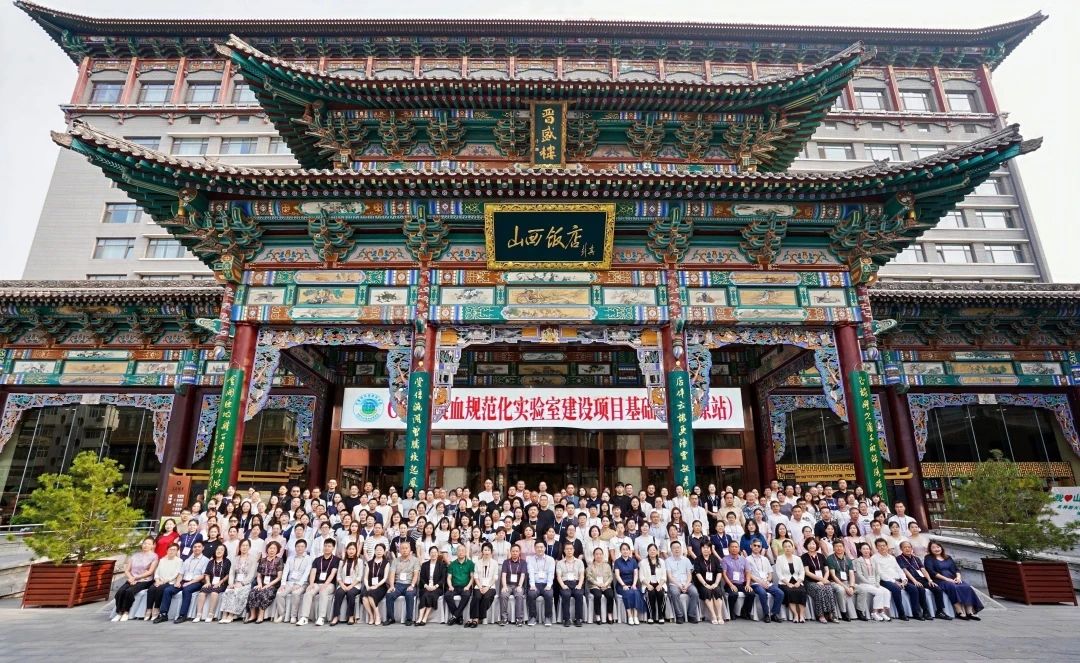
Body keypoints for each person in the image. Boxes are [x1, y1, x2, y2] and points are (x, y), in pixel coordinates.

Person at [925, 541, 983, 620]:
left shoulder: (947, 557)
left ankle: (969, 612)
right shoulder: (928, 558)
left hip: (953, 579)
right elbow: (931, 572)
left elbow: (956, 569)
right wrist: (947, 579)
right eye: (933, 547)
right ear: (930, 549)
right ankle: (959, 612)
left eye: (938, 547)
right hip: (940, 580)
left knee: (967, 587)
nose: (936, 549)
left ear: (941, 548)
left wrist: (958, 577)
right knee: (952, 587)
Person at [156, 540, 208, 623]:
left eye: (199, 547)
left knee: (186, 590)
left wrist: (190, 583)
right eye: (195, 547)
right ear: (192, 548)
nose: (197, 548)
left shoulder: (205, 560)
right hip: (183, 581)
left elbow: (202, 575)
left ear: (203, 548)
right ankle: (163, 614)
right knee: (168, 590)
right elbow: (181, 573)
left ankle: (182, 615)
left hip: (196, 582)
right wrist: (178, 582)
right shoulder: (188, 560)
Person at [112, 536, 158, 622]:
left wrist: (135, 578)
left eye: (149, 544)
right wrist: (131, 578)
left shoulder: (154, 557)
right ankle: (119, 612)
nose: (146, 545)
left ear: (153, 546)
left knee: (129, 591)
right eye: (144, 543)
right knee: (120, 591)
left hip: (145, 580)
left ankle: (126, 612)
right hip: (132, 579)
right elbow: (127, 570)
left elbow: (150, 572)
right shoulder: (135, 555)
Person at [873, 538, 921, 621]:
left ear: (887, 546)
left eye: (884, 545)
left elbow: (899, 569)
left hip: (898, 579)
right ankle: (901, 614)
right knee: (896, 589)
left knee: (913, 589)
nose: (882, 547)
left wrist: (904, 579)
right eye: (879, 546)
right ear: (876, 547)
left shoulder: (892, 557)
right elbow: (880, 574)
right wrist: (895, 582)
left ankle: (916, 613)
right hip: (885, 581)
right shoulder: (874, 558)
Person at [299, 539, 340, 626]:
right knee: (308, 592)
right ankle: (304, 617)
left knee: (323, 591)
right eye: (325, 546)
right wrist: (311, 584)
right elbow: (313, 572)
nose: (327, 548)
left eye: (329, 546)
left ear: (333, 548)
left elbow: (333, 574)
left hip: (329, 584)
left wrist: (325, 584)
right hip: (317, 583)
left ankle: (321, 617)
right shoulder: (317, 560)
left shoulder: (336, 560)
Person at [897, 540, 938, 621]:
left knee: (937, 588)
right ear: (901, 549)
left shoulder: (916, 558)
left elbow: (923, 569)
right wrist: (915, 581)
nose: (907, 549)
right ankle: (922, 612)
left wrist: (929, 580)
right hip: (909, 580)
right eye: (905, 547)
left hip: (921, 578)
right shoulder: (899, 558)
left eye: (909, 547)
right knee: (920, 589)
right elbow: (905, 571)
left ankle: (939, 611)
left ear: (912, 548)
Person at [800, 538, 838, 623]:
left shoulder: (821, 556)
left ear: (817, 545)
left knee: (829, 588)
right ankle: (821, 615)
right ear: (806, 545)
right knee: (819, 589)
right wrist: (821, 579)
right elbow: (807, 572)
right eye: (810, 544)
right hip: (810, 582)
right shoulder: (804, 557)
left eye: (813, 544)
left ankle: (831, 614)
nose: (812, 546)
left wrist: (824, 580)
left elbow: (827, 570)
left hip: (823, 580)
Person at [747, 540, 784, 624]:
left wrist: (768, 580)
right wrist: (760, 582)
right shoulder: (747, 559)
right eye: (755, 545)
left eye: (759, 546)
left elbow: (770, 573)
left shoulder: (765, 559)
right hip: (756, 583)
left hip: (767, 582)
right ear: (751, 546)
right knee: (762, 593)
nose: (756, 547)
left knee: (780, 593)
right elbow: (749, 574)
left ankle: (774, 614)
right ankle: (766, 614)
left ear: (761, 548)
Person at [276, 538, 312, 623]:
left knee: (295, 593)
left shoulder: (308, 559)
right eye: (298, 546)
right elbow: (285, 571)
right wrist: (283, 584)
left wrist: (299, 584)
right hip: (289, 582)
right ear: (295, 548)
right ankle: (282, 615)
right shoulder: (290, 558)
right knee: (279, 593)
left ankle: (293, 616)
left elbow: (306, 573)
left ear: (305, 548)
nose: (300, 548)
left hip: (302, 583)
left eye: (302, 546)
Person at [246, 540, 283, 623]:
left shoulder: (279, 560)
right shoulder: (262, 560)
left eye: (274, 548)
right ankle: (253, 615)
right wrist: (259, 584)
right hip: (262, 583)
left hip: (273, 585)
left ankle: (261, 615)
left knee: (263, 593)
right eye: (270, 548)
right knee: (253, 591)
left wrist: (268, 585)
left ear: (277, 550)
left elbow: (279, 577)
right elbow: (259, 576)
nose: (272, 550)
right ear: (267, 549)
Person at [853, 542, 891, 621]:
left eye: (867, 549)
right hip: (863, 583)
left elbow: (877, 573)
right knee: (879, 592)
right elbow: (859, 575)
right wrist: (869, 582)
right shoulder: (857, 561)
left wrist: (877, 582)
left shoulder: (873, 560)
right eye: (864, 549)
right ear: (860, 550)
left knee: (887, 592)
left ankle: (882, 612)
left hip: (874, 583)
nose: (866, 551)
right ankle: (874, 613)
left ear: (870, 550)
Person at [193, 541, 230, 622]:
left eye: (221, 550)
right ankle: (198, 614)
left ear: (224, 552)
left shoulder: (227, 562)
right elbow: (207, 574)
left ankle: (211, 614)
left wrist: (220, 582)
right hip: (211, 583)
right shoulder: (211, 562)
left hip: (222, 583)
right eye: (217, 549)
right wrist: (208, 582)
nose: (219, 551)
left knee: (214, 593)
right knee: (202, 592)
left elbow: (228, 575)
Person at [665, 541, 700, 624]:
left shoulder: (686, 560)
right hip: (674, 584)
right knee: (674, 593)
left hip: (687, 583)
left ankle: (691, 615)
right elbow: (670, 577)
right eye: (674, 548)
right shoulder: (667, 561)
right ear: (671, 550)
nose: (676, 549)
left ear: (681, 549)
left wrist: (686, 585)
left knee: (695, 593)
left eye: (678, 547)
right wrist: (680, 586)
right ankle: (679, 616)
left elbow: (689, 575)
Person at [386, 540, 420, 625]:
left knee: (409, 594)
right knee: (389, 594)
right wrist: (392, 586)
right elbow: (392, 574)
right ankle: (391, 618)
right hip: (398, 584)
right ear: (399, 550)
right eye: (402, 548)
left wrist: (412, 585)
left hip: (409, 584)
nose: (404, 550)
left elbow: (416, 574)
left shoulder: (415, 560)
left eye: (406, 548)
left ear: (410, 549)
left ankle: (409, 619)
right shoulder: (395, 561)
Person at [145, 542, 181, 621]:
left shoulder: (179, 561)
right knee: (151, 589)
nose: (171, 551)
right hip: (159, 581)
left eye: (174, 550)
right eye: (170, 549)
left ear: (177, 551)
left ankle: (156, 609)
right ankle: (149, 609)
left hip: (170, 582)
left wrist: (164, 581)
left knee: (160, 589)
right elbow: (157, 572)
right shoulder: (162, 560)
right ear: (167, 550)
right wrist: (157, 580)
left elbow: (176, 574)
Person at [774, 539, 807, 622]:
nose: (787, 548)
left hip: (797, 581)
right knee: (790, 591)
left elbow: (802, 572)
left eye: (789, 546)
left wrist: (799, 582)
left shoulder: (798, 558)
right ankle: (795, 615)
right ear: (783, 548)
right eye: (785, 547)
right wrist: (788, 583)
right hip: (784, 582)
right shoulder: (779, 559)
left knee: (802, 591)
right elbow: (779, 573)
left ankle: (801, 615)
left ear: (793, 548)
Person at [693, 540, 725, 625]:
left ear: (710, 549)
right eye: (703, 547)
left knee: (717, 591)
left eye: (707, 547)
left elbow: (719, 572)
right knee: (707, 591)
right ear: (701, 549)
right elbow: (698, 573)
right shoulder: (697, 560)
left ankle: (719, 615)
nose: (705, 549)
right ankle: (713, 615)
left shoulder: (715, 559)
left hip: (714, 583)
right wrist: (705, 584)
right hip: (702, 584)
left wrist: (716, 583)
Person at [330, 542, 363, 626]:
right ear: (346, 550)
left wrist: (351, 586)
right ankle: (335, 617)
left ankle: (351, 616)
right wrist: (342, 585)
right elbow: (338, 576)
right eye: (349, 549)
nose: (351, 551)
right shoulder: (342, 562)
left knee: (351, 593)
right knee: (338, 593)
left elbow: (359, 577)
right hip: (343, 584)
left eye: (353, 549)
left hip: (355, 585)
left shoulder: (359, 561)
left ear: (356, 550)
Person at [825, 540, 858, 621]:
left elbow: (851, 574)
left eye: (840, 546)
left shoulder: (848, 559)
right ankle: (843, 612)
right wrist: (846, 588)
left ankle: (860, 611)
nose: (839, 548)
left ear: (844, 548)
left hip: (847, 582)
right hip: (835, 582)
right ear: (833, 548)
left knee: (862, 590)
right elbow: (833, 576)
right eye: (836, 546)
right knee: (841, 590)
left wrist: (851, 586)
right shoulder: (830, 559)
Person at [468, 542, 498, 627]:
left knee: (486, 597)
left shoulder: (494, 563)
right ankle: (475, 619)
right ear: (482, 551)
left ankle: (476, 618)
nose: (487, 552)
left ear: (491, 552)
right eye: (485, 550)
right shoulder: (478, 563)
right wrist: (480, 587)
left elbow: (495, 577)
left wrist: (488, 587)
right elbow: (476, 576)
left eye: (488, 550)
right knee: (477, 597)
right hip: (479, 585)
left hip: (490, 586)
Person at [416, 545, 447, 626]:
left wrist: (435, 586)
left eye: (435, 552)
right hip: (426, 586)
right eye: (432, 552)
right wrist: (426, 586)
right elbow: (422, 578)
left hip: (437, 587)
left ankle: (425, 617)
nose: (433, 554)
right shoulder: (424, 565)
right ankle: (420, 617)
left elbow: (443, 579)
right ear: (429, 554)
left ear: (438, 554)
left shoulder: (442, 565)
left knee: (432, 595)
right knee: (425, 595)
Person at [556, 541, 585, 627]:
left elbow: (582, 575)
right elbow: (558, 576)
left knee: (579, 594)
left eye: (571, 549)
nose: (569, 551)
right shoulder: (560, 563)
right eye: (567, 549)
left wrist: (579, 585)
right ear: (564, 550)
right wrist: (563, 585)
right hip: (565, 583)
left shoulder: (579, 562)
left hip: (576, 582)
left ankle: (578, 619)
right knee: (566, 595)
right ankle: (566, 619)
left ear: (574, 550)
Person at [527, 540, 555, 626]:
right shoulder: (530, 560)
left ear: (545, 548)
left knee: (549, 595)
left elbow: (551, 573)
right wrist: (532, 585)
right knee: (531, 594)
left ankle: (548, 617)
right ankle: (533, 617)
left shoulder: (550, 559)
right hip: (535, 584)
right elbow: (530, 573)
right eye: (537, 547)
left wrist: (549, 585)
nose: (540, 549)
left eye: (541, 547)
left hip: (546, 584)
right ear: (534, 548)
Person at [613, 543, 643, 625]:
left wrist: (634, 584)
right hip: (621, 585)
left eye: (627, 549)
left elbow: (636, 574)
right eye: (623, 549)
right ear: (620, 551)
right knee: (627, 593)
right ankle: (630, 616)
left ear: (630, 551)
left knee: (636, 592)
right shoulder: (617, 562)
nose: (625, 551)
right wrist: (623, 585)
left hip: (632, 583)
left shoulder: (633, 561)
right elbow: (617, 575)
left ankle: (635, 616)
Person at [446, 543, 475, 626]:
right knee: (447, 595)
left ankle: (454, 616)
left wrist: (468, 586)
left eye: (463, 551)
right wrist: (450, 586)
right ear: (456, 552)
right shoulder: (452, 564)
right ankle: (459, 617)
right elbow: (449, 577)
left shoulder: (470, 563)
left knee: (466, 595)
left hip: (465, 587)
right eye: (459, 551)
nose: (461, 552)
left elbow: (472, 577)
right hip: (454, 587)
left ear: (465, 552)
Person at [499, 543, 528, 626]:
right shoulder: (506, 562)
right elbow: (503, 575)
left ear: (519, 552)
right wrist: (504, 586)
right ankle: (504, 618)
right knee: (503, 594)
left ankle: (519, 619)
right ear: (510, 552)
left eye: (516, 551)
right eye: (513, 551)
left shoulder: (523, 562)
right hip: (508, 585)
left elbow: (523, 575)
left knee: (519, 595)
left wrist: (520, 586)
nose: (515, 553)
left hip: (518, 585)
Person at [586, 546, 615, 624]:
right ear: (594, 555)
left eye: (600, 554)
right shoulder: (590, 566)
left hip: (606, 585)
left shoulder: (607, 565)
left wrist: (605, 584)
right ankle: (598, 615)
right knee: (598, 595)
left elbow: (610, 577)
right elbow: (589, 577)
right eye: (596, 554)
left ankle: (609, 614)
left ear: (603, 555)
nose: (598, 556)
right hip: (594, 586)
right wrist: (598, 584)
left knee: (610, 595)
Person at [362, 543, 390, 626]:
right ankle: (371, 616)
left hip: (381, 586)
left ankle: (377, 615)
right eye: (377, 550)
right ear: (374, 551)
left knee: (370, 595)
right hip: (369, 585)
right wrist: (367, 586)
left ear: (384, 552)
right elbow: (365, 577)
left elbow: (385, 578)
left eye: (381, 550)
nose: (379, 551)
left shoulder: (386, 563)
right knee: (364, 597)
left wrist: (376, 586)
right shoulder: (369, 563)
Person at [639, 543, 667, 624]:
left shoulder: (661, 561)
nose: (652, 551)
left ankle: (661, 616)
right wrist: (648, 585)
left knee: (661, 593)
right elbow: (641, 577)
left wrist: (660, 585)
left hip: (659, 583)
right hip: (648, 584)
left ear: (657, 551)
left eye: (654, 550)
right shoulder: (643, 562)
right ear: (647, 551)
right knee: (650, 593)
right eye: (650, 550)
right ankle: (651, 616)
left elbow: (664, 576)